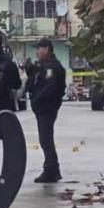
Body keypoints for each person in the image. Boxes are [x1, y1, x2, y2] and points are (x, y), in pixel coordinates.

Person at [29, 37, 66, 183]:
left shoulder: (51, 67)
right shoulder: (44, 65)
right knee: (45, 139)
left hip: (47, 107)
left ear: (46, 50)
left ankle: (51, 170)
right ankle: (51, 169)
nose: (37, 52)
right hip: (44, 107)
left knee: (46, 139)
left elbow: (49, 87)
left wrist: (38, 99)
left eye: (39, 49)